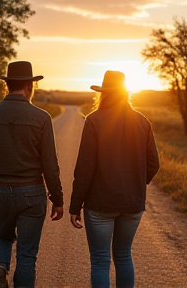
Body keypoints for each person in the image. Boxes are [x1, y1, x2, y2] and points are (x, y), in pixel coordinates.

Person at [0, 61, 64, 288]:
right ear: (29, 87)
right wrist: (57, 199)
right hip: (32, 192)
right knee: (27, 253)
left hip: (1, 190)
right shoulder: (42, 118)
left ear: (8, 85)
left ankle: (0, 267)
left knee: (3, 236)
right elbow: (50, 165)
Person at [69, 71, 160, 288]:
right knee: (123, 256)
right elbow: (154, 164)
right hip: (132, 203)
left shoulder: (94, 121)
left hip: (100, 204)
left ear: (103, 94)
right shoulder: (142, 122)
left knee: (100, 261)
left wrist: (75, 206)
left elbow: (84, 169)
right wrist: (135, 183)